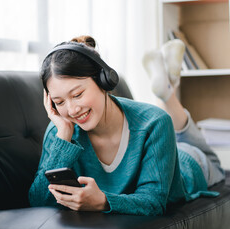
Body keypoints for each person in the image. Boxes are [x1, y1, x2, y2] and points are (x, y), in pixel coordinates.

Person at [28, 35, 225, 216]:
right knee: (156, 120)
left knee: (210, 160)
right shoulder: (60, 130)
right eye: (59, 102)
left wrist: (104, 201)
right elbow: (38, 202)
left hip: (187, 162)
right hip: (156, 141)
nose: (71, 110)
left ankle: (167, 94)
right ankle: (167, 89)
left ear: (103, 80)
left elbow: (154, 201)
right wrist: (63, 137)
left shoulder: (155, 122)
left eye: (77, 95)